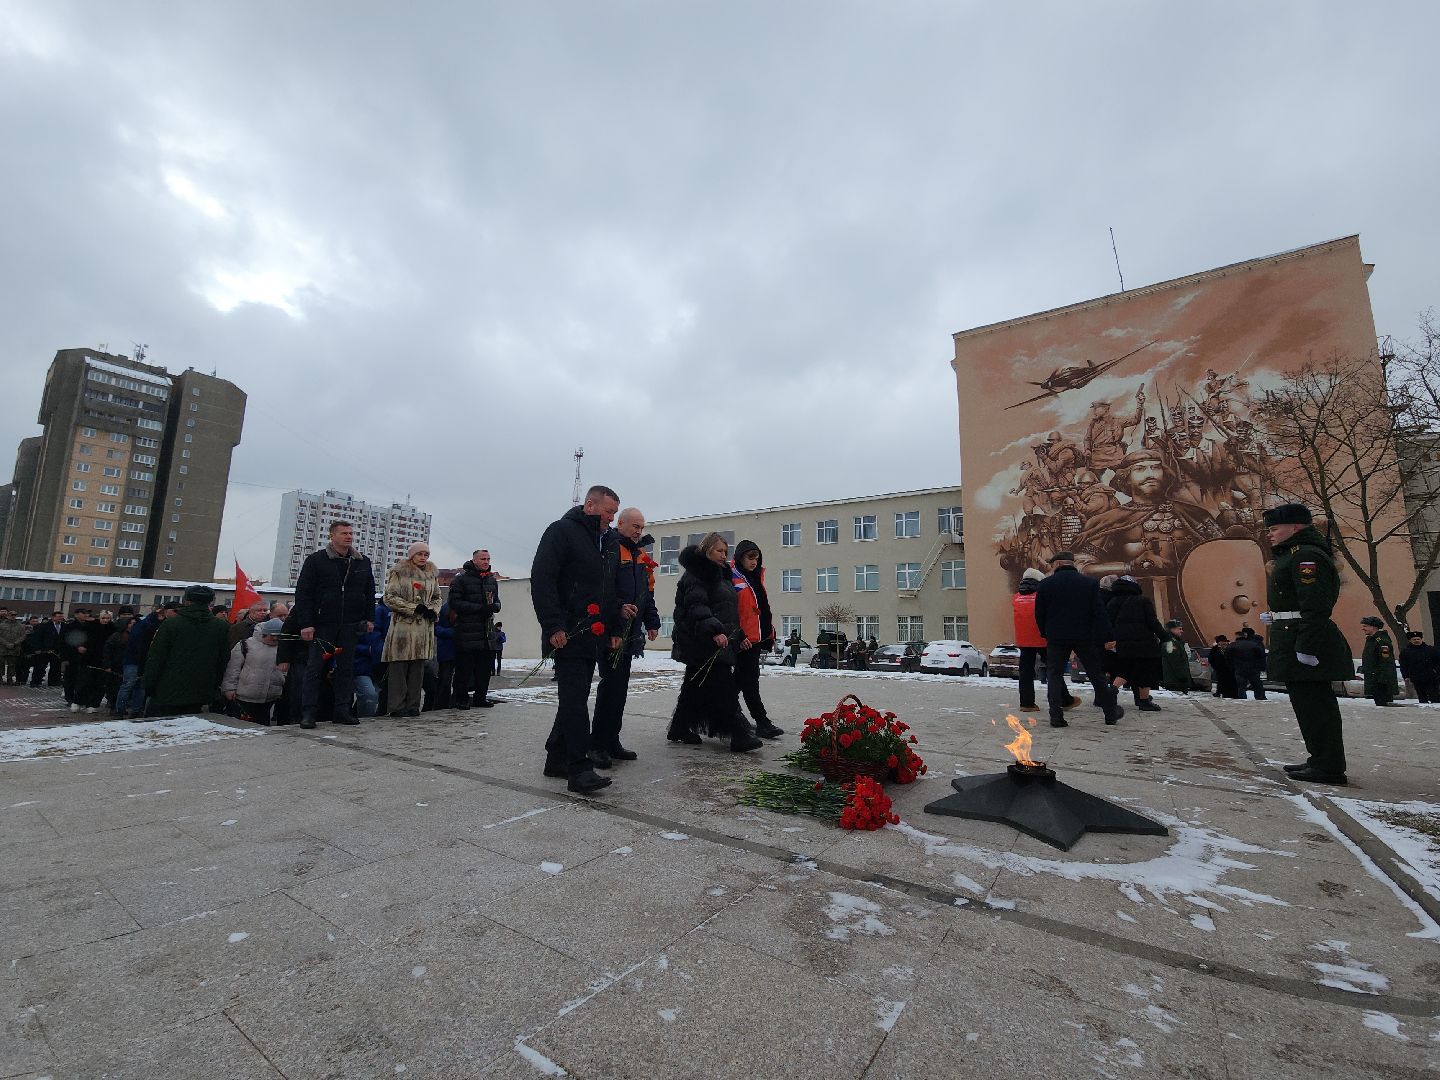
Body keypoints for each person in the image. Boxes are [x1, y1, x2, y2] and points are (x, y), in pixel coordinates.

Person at [531, 485, 622, 794]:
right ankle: (578, 768)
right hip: (567, 632)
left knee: (577, 695)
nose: (612, 518)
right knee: (574, 698)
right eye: (609, 511)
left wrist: (612, 628)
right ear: (590, 506)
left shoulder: (603, 542)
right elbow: (543, 580)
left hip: (592, 633)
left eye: (614, 513)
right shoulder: (561, 531)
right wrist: (553, 625)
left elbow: (604, 590)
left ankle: (556, 758)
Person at [1263, 503, 1352, 785]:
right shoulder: (1294, 554)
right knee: (1307, 705)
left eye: (1275, 528)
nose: (1270, 534)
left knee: (1317, 706)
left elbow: (1315, 606)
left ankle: (1329, 766)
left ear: (1296, 527)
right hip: (1292, 633)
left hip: (1303, 638)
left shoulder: (1306, 557)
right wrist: (1277, 614)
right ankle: (1320, 759)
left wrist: (1306, 645)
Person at [666, 533, 764, 753]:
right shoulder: (696, 575)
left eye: (725, 552)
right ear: (706, 550)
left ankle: (679, 728)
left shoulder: (722, 575)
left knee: (693, 687)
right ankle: (739, 735)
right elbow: (696, 606)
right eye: (719, 551)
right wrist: (715, 631)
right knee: (724, 688)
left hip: (718, 640)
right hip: (701, 641)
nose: (723, 555)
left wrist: (738, 637)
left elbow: (728, 612)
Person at [591, 509, 664, 765]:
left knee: (620, 690)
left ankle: (612, 740)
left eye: (641, 527)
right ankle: (597, 744)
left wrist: (652, 622)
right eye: (634, 526)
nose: (638, 531)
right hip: (612, 633)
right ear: (619, 523)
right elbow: (604, 591)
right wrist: (612, 629)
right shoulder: (610, 549)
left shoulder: (639, 556)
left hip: (630, 634)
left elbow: (646, 595)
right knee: (609, 688)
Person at [291, 520, 376, 729]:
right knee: (315, 668)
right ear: (332, 536)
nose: (348, 536)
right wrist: (306, 623)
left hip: (350, 624)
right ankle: (309, 712)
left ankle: (342, 710)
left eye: (350, 533)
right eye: (344, 533)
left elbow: (369, 592)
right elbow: (304, 594)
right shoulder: (316, 560)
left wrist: (369, 618)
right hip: (323, 623)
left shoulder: (362, 561)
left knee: (346, 669)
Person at [1033, 551, 1123, 728]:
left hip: (1056, 637)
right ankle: (1110, 713)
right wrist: (1107, 636)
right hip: (1084, 636)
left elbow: (1039, 614)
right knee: (1095, 674)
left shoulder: (1045, 584)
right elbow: (1099, 612)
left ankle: (1056, 716)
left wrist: (1045, 632)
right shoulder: (1089, 583)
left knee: (1055, 675)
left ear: (1058, 564)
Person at [140, 585, 232, 720]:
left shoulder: (171, 624)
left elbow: (156, 658)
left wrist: (148, 685)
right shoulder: (221, 626)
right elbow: (223, 660)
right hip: (200, 691)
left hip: (166, 691)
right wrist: (212, 686)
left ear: (187, 601)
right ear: (210, 602)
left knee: (159, 732)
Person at [729, 539, 783, 740]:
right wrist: (738, 634)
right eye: (749, 558)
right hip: (742, 640)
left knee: (741, 682)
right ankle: (761, 721)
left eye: (756, 558)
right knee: (748, 681)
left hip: (754, 639)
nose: (753, 562)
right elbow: (730, 611)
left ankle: (726, 714)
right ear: (740, 557)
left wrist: (768, 635)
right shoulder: (733, 577)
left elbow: (762, 610)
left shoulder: (756, 577)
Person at [380, 543, 440, 718]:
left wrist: (433, 610)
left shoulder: (431, 575)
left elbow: (437, 597)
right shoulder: (399, 573)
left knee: (417, 668)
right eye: (419, 554)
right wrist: (413, 608)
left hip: (423, 628)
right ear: (412, 555)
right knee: (399, 668)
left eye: (426, 554)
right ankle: (397, 706)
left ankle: (413, 705)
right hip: (403, 628)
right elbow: (390, 597)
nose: (423, 557)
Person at [1104, 576, 1166, 711]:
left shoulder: (1112, 602)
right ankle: (1144, 701)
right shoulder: (1143, 601)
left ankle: (1111, 691)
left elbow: (1107, 624)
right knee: (1145, 671)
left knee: (1125, 670)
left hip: (1123, 643)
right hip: (1145, 644)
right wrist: (1165, 636)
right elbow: (1152, 622)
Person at [450, 549, 502, 710]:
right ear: (474, 560)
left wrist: (495, 607)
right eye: (482, 559)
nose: (486, 562)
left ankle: (481, 697)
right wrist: (479, 608)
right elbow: (455, 603)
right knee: (464, 669)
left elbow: (497, 602)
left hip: (486, 633)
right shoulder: (461, 580)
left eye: (488, 559)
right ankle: (461, 698)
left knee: (484, 669)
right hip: (467, 631)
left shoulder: (491, 580)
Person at [222, 618, 288, 725]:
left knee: (263, 725)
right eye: (272, 635)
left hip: (270, 697)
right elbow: (232, 669)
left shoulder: (283, 648)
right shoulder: (245, 645)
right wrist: (229, 688)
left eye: (279, 636)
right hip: (245, 696)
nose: (275, 638)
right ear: (264, 633)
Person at [1359, 616, 1400, 706]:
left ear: (1373, 627)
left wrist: (1382, 679)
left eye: (1365, 626)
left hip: (1381, 682)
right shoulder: (1372, 640)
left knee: (1383, 705)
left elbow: (1386, 661)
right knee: (1379, 704)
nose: (1363, 628)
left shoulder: (1382, 641)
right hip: (1375, 680)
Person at [25, 611, 66, 688]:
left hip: (57, 651)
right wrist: (38, 649)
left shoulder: (64, 626)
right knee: (40, 667)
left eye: (61, 616)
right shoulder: (43, 626)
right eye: (59, 616)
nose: (60, 618)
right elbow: (37, 638)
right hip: (44, 650)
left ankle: (53, 682)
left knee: (55, 667)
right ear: (53, 617)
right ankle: (36, 682)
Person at [1400, 629, 1440, 703]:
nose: (1416, 640)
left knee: (1435, 698)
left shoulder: (1431, 650)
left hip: (1431, 678)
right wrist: (1406, 676)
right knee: (1422, 698)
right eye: (1414, 639)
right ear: (1410, 640)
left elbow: (1437, 662)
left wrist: (1437, 672)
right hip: (1416, 678)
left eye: (1418, 639)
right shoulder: (1406, 652)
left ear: (1421, 639)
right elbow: (1403, 665)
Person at [1228, 628, 1268, 700]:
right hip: (1253, 668)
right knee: (1257, 685)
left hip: (1239, 668)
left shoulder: (1232, 645)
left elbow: (1228, 657)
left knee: (1241, 686)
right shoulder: (1254, 644)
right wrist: (1261, 666)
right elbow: (1261, 655)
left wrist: (1232, 667)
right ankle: (1261, 698)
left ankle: (1242, 699)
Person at [1160, 620, 1193, 693]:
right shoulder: (1170, 643)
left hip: (1177, 681)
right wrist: (1182, 677)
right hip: (1174, 681)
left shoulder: (1176, 641)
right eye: (1179, 629)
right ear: (1172, 629)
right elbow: (1175, 661)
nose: (1182, 631)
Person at [0, 608, 27, 685]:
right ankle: (0, 678)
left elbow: (23, 636)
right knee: (1, 663)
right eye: (11, 615)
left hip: (14, 648)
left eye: (15, 615)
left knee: (12, 664)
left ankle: (10, 678)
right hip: (2, 647)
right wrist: (6, 643)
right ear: (8, 616)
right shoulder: (1, 625)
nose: (13, 616)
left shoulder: (20, 626)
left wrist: (14, 643)